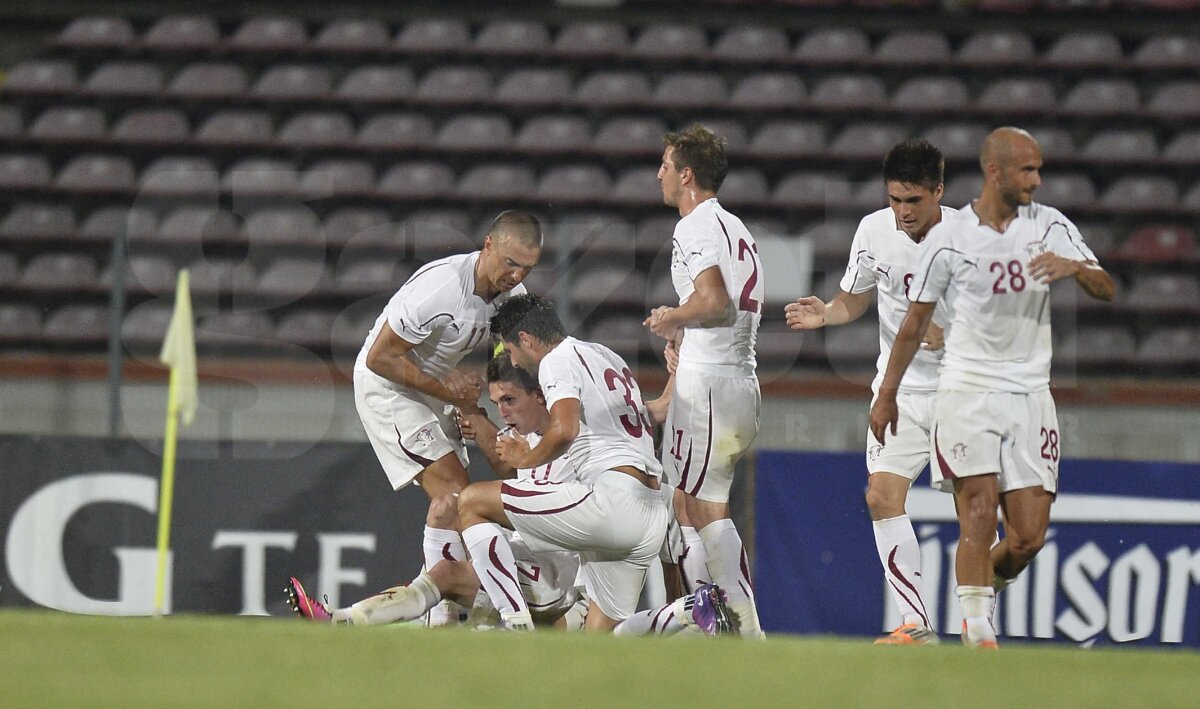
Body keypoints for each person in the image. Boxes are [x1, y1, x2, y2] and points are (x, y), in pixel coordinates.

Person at [869, 127, 1115, 649]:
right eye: (1028, 169)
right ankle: (977, 634)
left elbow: (1106, 286)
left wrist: (1074, 267)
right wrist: (887, 393)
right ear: (995, 172)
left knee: (1026, 538)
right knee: (977, 512)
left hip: (1029, 396)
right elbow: (914, 324)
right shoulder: (951, 239)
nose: (1037, 179)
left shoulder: (1048, 225)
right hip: (965, 391)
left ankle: (988, 584)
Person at [298, 209, 541, 627]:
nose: (516, 276)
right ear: (488, 245)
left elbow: (511, 364)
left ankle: (444, 617)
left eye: (527, 268)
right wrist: (452, 393)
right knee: (463, 498)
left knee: (449, 507)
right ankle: (498, 608)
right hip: (389, 389)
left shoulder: (511, 301)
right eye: (510, 263)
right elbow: (380, 357)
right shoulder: (442, 288)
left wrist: (477, 405)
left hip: (435, 390)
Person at [784, 139, 954, 645]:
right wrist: (828, 314)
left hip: (958, 392)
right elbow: (854, 298)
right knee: (882, 497)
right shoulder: (873, 230)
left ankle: (977, 623)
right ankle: (915, 623)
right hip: (896, 390)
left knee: (974, 508)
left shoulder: (969, 239)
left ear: (938, 192)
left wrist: (954, 336)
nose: (903, 211)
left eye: (914, 201)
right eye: (896, 198)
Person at [287, 352, 584, 629]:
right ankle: (434, 624)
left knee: (459, 539)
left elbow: (568, 520)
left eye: (510, 400)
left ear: (540, 396)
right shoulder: (527, 436)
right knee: (444, 508)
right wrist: (471, 410)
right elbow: (505, 462)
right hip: (524, 557)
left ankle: (344, 621)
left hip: (552, 576)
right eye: (497, 404)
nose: (503, 412)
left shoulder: (577, 444)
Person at [456, 293, 671, 632]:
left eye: (510, 350)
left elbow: (564, 429)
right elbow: (647, 414)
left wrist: (525, 457)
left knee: (471, 503)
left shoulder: (557, 360)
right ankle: (687, 611)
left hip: (614, 500)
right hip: (651, 510)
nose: (513, 359)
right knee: (596, 641)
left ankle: (514, 622)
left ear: (525, 339)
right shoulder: (606, 355)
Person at [645, 124, 765, 637]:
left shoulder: (694, 226)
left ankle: (743, 624)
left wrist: (674, 315)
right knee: (684, 503)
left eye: (667, 165)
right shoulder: (734, 227)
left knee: (703, 506)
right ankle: (708, 621)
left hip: (713, 386)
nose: (659, 174)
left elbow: (715, 301)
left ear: (687, 174)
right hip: (730, 378)